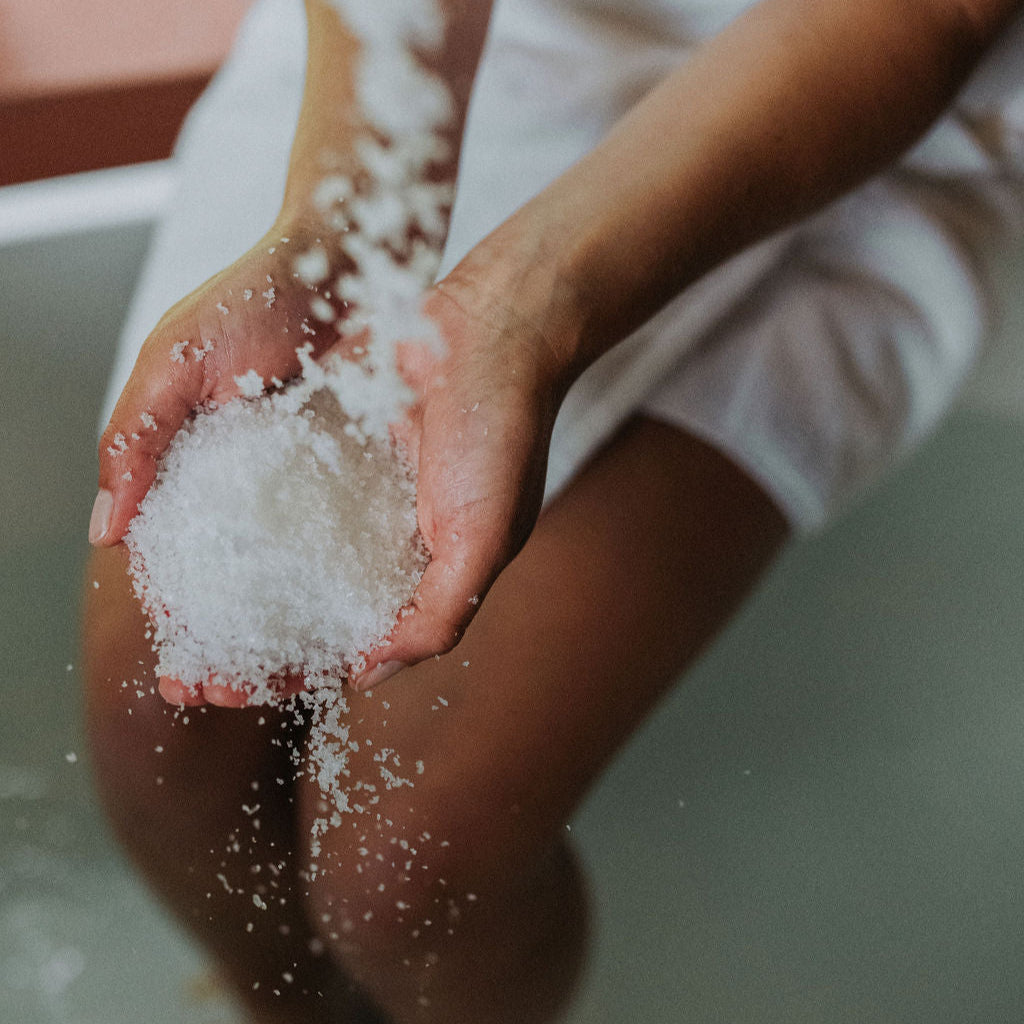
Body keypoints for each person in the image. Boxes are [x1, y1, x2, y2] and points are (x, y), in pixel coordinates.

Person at [82, 0, 1024, 1021]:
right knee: (154, 730)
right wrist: (349, 215)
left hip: (881, 107)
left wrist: (515, 311)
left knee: (408, 865)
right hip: (497, 37)